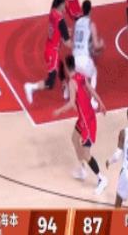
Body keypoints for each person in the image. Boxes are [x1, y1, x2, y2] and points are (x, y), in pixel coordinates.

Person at [53, 55, 108, 196]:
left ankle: (101, 179)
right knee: (74, 138)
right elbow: (91, 90)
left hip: (87, 121)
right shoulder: (81, 76)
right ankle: (82, 169)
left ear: (66, 67)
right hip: (84, 118)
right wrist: (101, 102)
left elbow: (72, 103)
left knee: (86, 153)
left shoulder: (72, 82)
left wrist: (59, 111)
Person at [24, 0, 71, 104]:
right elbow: (67, 42)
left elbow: (57, 30)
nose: (66, 7)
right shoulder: (61, 21)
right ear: (61, 4)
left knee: (60, 66)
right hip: (53, 51)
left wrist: (65, 32)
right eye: (65, 4)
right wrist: (78, 47)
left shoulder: (52, 12)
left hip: (49, 47)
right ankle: (31, 87)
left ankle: (65, 87)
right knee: (50, 83)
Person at [71, 0, 105, 109]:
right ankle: (93, 101)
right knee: (94, 73)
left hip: (74, 58)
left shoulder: (76, 23)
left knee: (81, 77)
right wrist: (102, 44)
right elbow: (96, 45)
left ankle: (74, 95)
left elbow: (75, 42)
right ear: (90, 10)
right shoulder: (91, 24)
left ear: (82, 10)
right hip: (84, 58)